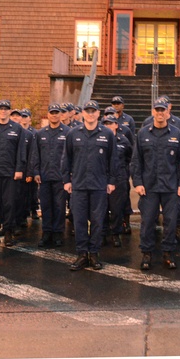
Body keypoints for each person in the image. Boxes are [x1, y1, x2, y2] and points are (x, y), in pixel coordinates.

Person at [132, 98, 180, 270]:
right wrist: (137, 182)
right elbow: (136, 161)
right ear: (152, 112)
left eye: (162, 110)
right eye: (157, 110)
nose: (159, 113)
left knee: (171, 221)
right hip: (148, 187)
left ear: (167, 112)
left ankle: (168, 252)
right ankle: (147, 253)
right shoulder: (143, 134)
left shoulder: (176, 134)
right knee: (148, 221)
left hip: (170, 186)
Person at [62, 100, 117, 271]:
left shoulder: (107, 134)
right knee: (78, 221)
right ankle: (81, 254)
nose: (91, 114)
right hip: (78, 185)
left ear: (98, 114)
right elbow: (67, 159)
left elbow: (113, 159)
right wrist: (66, 180)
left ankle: (94, 254)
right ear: (83, 113)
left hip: (99, 185)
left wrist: (111, 181)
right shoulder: (73, 133)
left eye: (94, 111)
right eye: (88, 111)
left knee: (97, 221)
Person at [0, 100, 28, 247]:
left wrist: (19, 169)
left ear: (10, 111)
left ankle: (9, 233)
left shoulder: (17, 129)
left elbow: (21, 151)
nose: (3, 111)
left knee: (9, 204)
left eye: (6, 109)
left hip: (10, 173)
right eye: (0, 108)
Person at [31, 103, 70, 247]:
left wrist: (69, 174)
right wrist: (35, 172)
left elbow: (70, 155)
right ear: (48, 114)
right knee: (46, 206)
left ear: (61, 114)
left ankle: (58, 233)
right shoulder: (40, 134)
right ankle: (46, 232)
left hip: (60, 177)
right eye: (52, 112)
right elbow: (36, 154)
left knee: (59, 206)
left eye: (57, 112)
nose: (54, 115)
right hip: (45, 176)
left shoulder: (67, 132)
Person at [102, 112, 133, 248]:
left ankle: (115, 234)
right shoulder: (99, 139)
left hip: (119, 178)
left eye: (110, 123)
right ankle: (102, 234)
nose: (108, 126)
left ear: (116, 125)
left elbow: (129, 157)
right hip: (102, 178)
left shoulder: (123, 140)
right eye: (105, 123)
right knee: (101, 208)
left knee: (116, 209)